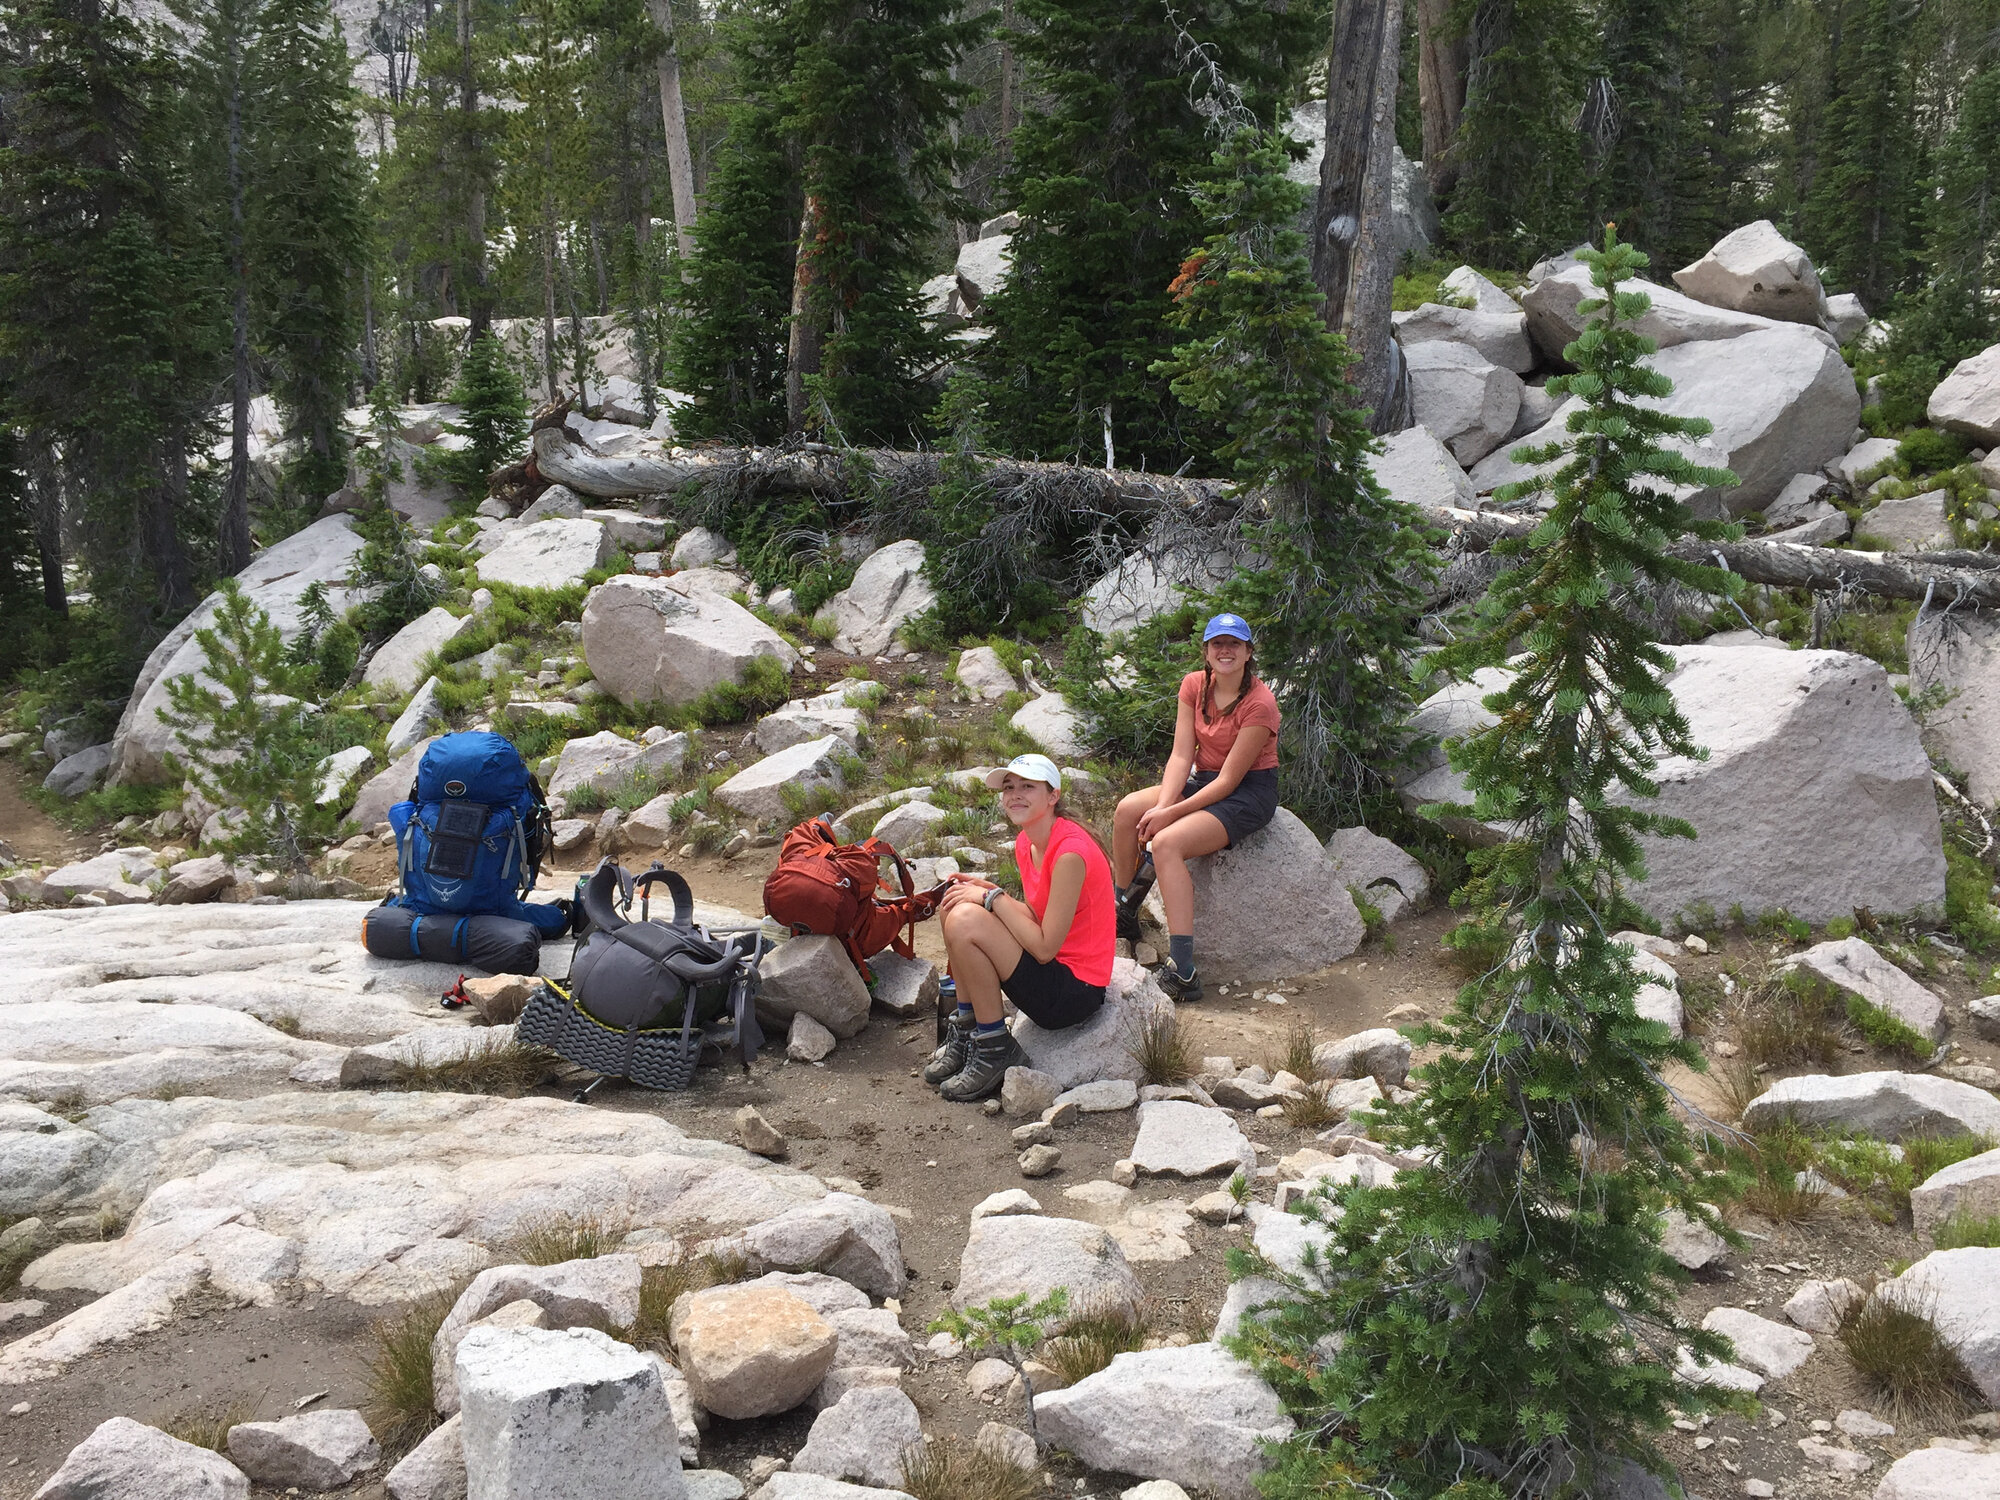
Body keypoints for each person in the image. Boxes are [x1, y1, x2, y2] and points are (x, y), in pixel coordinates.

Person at [923, 753, 1116, 1103]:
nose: (1015, 795)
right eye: (1008, 788)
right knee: (956, 903)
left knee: (969, 919)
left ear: (1053, 795)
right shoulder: (1028, 841)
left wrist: (994, 898)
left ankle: (996, 1048)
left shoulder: (1070, 852)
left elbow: (1044, 948)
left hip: (1075, 992)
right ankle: (968, 1031)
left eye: (1028, 786)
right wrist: (983, 890)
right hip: (1052, 969)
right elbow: (1036, 915)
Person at [1111, 612, 1279, 1002]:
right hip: (1204, 780)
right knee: (1127, 811)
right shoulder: (1193, 685)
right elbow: (1182, 753)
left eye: (1234, 644)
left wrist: (1169, 815)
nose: (1225, 650)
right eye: (1217, 643)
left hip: (1249, 792)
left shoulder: (1260, 704)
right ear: (1205, 651)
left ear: (1248, 652)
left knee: (1167, 843)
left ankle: (1184, 972)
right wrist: (1164, 805)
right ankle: (1125, 909)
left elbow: (1229, 782)